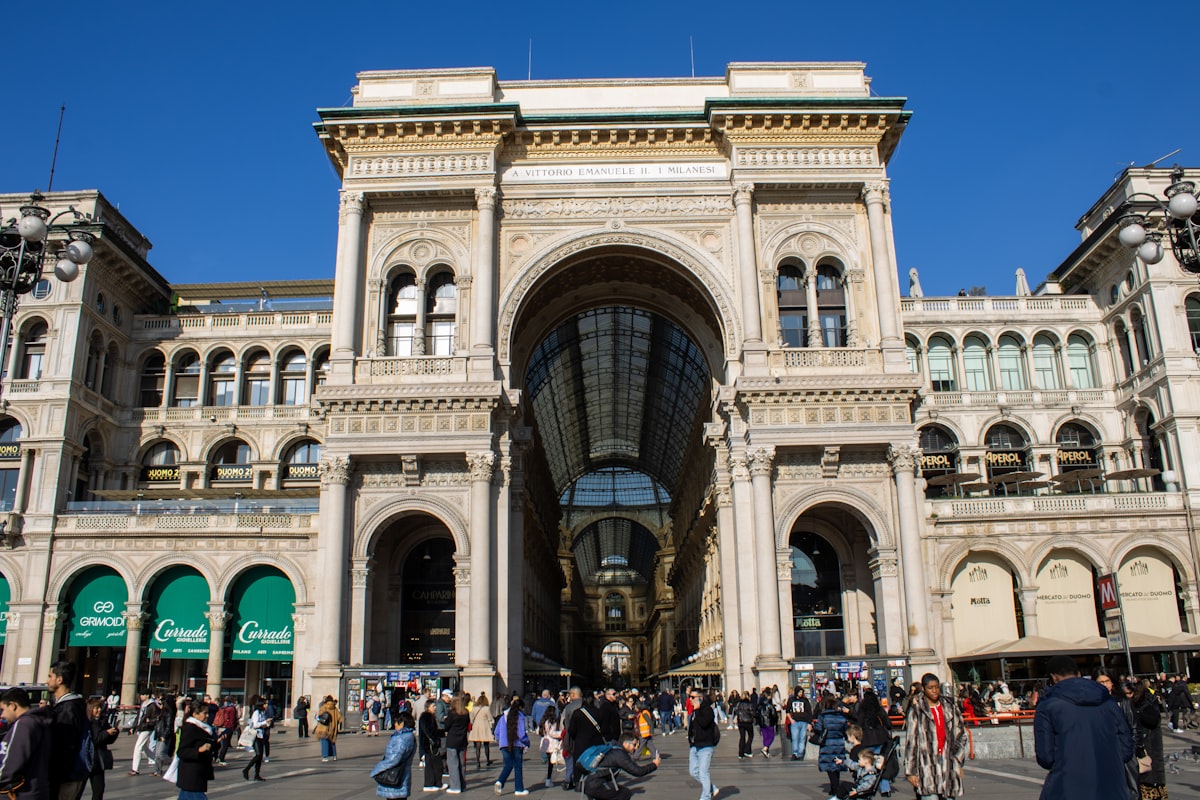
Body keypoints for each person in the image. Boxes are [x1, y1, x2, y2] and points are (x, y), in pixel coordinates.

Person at [1032, 656, 1132, 800]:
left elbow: (1045, 757)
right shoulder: (1108, 701)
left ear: (1054, 677)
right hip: (1112, 784)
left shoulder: (1047, 707)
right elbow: (1126, 748)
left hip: (1068, 785)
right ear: (1078, 673)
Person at [904, 673, 968, 800]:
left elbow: (961, 734)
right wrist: (910, 771)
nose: (934, 690)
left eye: (937, 687)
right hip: (927, 763)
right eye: (930, 687)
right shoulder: (917, 710)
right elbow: (911, 741)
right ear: (923, 688)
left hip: (948, 762)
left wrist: (957, 759)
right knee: (930, 796)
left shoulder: (949, 707)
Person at [47, 660, 89, 800]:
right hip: (70, 774)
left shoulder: (68, 709)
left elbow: (65, 746)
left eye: (49, 676)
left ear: (59, 680)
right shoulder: (69, 705)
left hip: (67, 776)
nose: (47, 680)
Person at [0, 687, 51, 800]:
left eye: (2, 709)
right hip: (35, 790)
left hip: (21, 793)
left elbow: (11, 762)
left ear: (13, 705)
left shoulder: (24, 724)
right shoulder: (39, 721)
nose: (1, 715)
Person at [580, 733, 659, 800]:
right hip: (596, 785)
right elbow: (637, 771)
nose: (635, 748)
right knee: (625, 793)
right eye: (634, 745)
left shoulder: (613, 748)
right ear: (626, 743)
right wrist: (654, 765)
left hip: (589, 783)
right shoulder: (619, 754)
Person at [1129, 679, 1166, 800]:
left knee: (1149, 788)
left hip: (1148, 759)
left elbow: (1152, 721)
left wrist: (1135, 712)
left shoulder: (1147, 705)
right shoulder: (1145, 703)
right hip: (1147, 761)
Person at [176, 699, 216, 800]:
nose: (207, 716)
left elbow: (208, 745)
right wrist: (198, 750)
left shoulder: (205, 728)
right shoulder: (190, 728)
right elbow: (181, 752)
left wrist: (216, 743)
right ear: (195, 714)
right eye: (205, 713)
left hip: (198, 774)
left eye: (208, 713)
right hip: (191, 775)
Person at [372, 711, 417, 800]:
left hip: (395, 775)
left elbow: (394, 759)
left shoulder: (401, 738)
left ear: (402, 723)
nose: (395, 724)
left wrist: (378, 769)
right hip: (403, 775)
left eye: (396, 722)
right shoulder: (409, 736)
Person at [813, 695, 849, 797]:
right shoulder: (841, 716)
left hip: (827, 744)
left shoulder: (823, 716)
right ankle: (834, 788)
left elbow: (818, 728)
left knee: (830, 768)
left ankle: (835, 789)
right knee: (836, 766)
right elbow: (845, 729)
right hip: (838, 743)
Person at [687, 688, 719, 800]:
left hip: (706, 746)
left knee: (703, 772)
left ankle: (706, 797)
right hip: (695, 746)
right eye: (689, 697)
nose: (690, 699)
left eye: (693, 697)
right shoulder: (695, 710)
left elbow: (704, 723)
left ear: (700, 698)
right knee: (693, 771)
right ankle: (712, 788)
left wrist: (698, 710)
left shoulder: (707, 710)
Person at [494, 696, 530, 796]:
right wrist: (527, 742)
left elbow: (496, 732)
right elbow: (521, 734)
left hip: (504, 744)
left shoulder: (503, 716)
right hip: (517, 744)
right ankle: (519, 789)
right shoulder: (520, 716)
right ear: (521, 707)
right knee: (518, 766)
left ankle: (500, 781)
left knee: (508, 764)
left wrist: (500, 740)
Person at [86, 697, 118, 800]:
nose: (99, 710)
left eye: (100, 707)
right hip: (86, 759)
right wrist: (106, 733)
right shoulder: (86, 722)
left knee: (99, 789)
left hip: (97, 761)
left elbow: (107, 740)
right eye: (96, 708)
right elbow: (95, 739)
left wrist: (113, 733)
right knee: (77, 789)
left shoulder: (102, 720)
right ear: (90, 709)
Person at [129, 691, 160, 776]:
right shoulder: (143, 704)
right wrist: (133, 727)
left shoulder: (152, 705)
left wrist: (149, 722)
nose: (141, 696)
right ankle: (157, 760)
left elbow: (156, 717)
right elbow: (138, 717)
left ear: (147, 695)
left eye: (142, 694)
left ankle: (135, 769)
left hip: (147, 728)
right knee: (143, 748)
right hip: (141, 727)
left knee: (138, 747)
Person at [417, 699, 445, 792]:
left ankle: (437, 783)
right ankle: (429, 784)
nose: (435, 708)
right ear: (428, 707)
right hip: (429, 745)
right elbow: (427, 731)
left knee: (437, 765)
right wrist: (434, 739)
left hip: (431, 744)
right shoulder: (426, 717)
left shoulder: (430, 717)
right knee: (431, 765)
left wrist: (441, 733)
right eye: (433, 706)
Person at [241, 696, 270, 782]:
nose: (267, 705)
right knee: (258, 754)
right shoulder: (256, 712)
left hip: (261, 735)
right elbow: (255, 724)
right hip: (255, 736)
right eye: (265, 703)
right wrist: (265, 722)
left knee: (260, 756)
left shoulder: (263, 712)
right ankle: (246, 769)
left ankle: (257, 774)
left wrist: (266, 724)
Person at [443, 695, 469, 794]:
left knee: (453, 764)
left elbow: (447, 726)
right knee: (462, 764)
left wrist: (446, 720)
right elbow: (467, 725)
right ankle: (462, 785)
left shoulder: (452, 713)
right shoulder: (466, 713)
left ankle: (455, 786)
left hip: (452, 740)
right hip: (462, 740)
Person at [559, 687, 583, 790]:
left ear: (573, 695)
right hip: (586, 738)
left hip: (572, 738)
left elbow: (564, 725)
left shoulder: (569, 708)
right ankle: (580, 780)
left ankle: (569, 780)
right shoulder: (588, 705)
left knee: (571, 759)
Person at [468, 692, 495, 769]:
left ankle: (477, 762)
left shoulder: (473, 709)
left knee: (477, 746)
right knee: (486, 745)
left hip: (476, 727)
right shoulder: (486, 709)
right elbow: (490, 718)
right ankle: (487, 760)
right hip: (484, 726)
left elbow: (471, 719)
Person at [787, 685, 814, 761]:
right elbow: (787, 711)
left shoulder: (805, 700)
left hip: (804, 722)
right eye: (799, 692)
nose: (801, 693)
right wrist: (791, 719)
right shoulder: (791, 700)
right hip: (795, 721)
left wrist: (809, 723)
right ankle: (794, 753)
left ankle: (800, 753)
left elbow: (809, 712)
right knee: (795, 738)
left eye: (802, 692)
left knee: (802, 738)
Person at [538, 706, 563, 789]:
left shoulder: (543, 721)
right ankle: (548, 779)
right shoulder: (552, 721)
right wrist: (561, 733)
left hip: (545, 742)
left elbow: (538, 731)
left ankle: (548, 779)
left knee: (550, 762)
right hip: (552, 743)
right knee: (551, 762)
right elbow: (552, 733)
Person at [314, 695, 342, 762]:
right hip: (332, 727)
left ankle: (325, 756)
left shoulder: (323, 707)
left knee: (324, 741)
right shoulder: (335, 708)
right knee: (332, 741)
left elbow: (319, 717)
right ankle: (334, 756)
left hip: (324, 727)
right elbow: (340, 718)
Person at [758, 687, 779, 758]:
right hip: (769, 722)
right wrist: (776, 721)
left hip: (762, 722)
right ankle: (765, 748)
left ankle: (766, 751)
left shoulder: (760, 704)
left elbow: (757, 713)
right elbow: (774, 714)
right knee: (771, 736)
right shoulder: (769, 704)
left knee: (765, 737)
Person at [734, 691, 755, 759]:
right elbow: (752, 712)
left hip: (740, 722)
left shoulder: (739, 703)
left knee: (742, 737)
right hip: (748, 722)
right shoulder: (749, 703)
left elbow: (736, 711)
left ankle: (741, 754)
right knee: (751, 736)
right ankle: (747, 750)